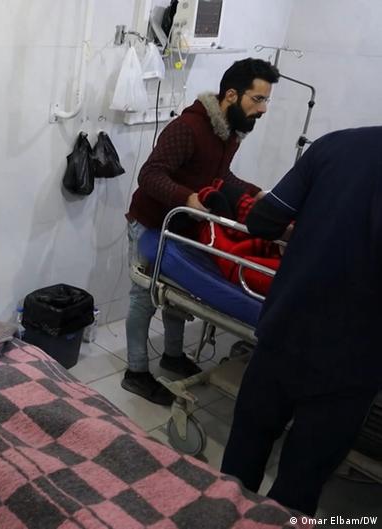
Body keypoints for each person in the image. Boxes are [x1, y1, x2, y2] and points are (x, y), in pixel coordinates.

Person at [221, 126, 382, 516]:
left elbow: (262, 222)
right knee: (300, 485)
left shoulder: (336, 144)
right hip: (353, 361)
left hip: (286, 328)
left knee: (239, 465)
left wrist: (314, 226)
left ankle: (222, 519)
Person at [123, 58, 279, 404]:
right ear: (231, 95)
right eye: (258, 99)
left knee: (179, 293)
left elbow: (221, 177)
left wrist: (259, 195)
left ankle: (172, 356)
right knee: (145, 296)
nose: (263, 109)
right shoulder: (189, 128)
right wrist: (187, 197)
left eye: (266, 100)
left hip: (182, 225)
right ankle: (135, 372)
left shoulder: (229, 133)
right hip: (151, 221)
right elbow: (149, 175)